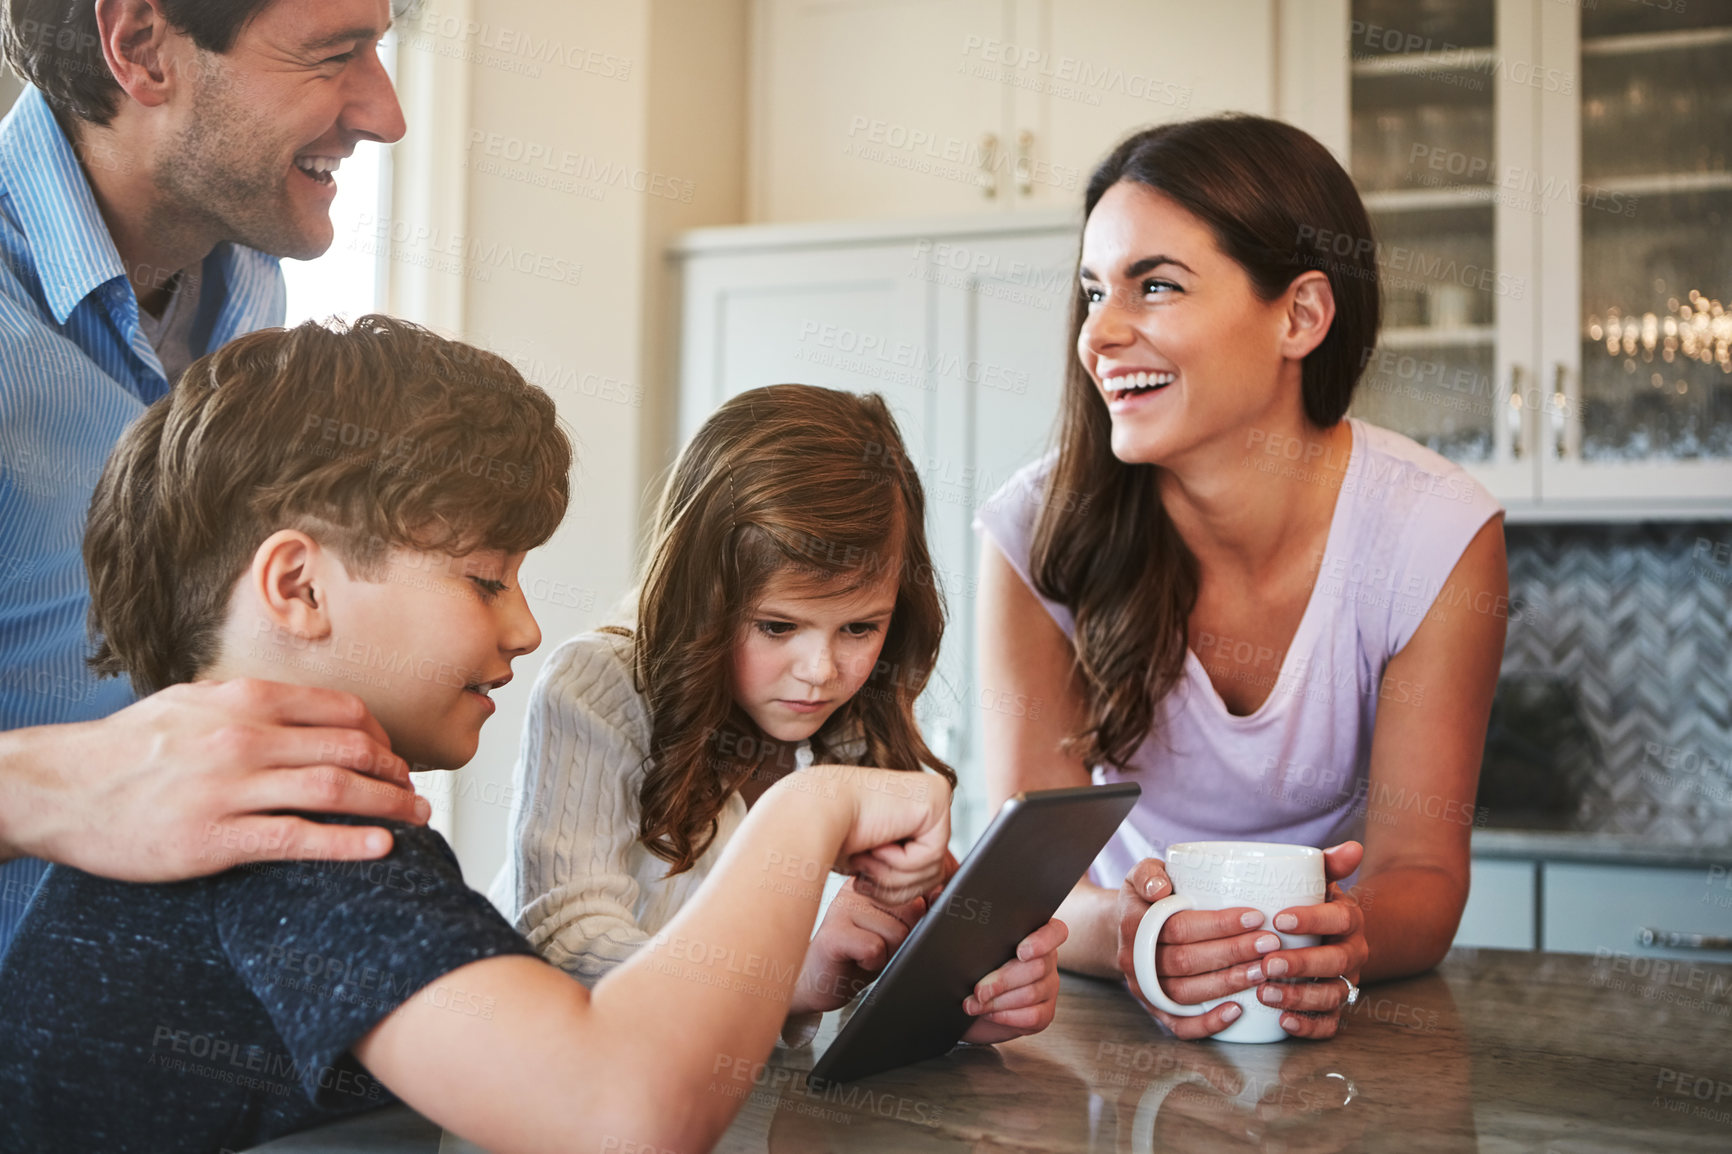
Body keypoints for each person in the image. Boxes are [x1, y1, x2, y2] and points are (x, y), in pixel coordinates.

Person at [0, 317, 954, 1154]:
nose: (526, 630)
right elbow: (620, 1114)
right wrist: (809, 810)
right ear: (299, 587)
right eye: (485, 580)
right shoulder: (296, 836)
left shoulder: (224, 818)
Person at [975, 115, 1508, 1041]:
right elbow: (1031, 873)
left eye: (1157, 285)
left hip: (1331, 1026)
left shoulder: (1434, 533)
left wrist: (1337, 942)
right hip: (1103, 1009)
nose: (1098, 334)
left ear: (1300, 315)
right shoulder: (1037, 530)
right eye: (1094, 291)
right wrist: (1139, 937)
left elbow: (1422, 872)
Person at [0, 0, 418, 949]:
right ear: (143, 50)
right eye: (334, 55)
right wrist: (43, 786)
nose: (386, 114)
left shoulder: (250, 275)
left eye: (380, 51)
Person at [492, 384, 1066, 1046]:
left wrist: (965, 987)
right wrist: (783, 979)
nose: (821, 671)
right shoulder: (598, 686)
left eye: (859, 627)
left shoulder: (851, 722)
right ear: (701, 597)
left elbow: (880, 944)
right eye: (776, 625)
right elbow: (564, 944)